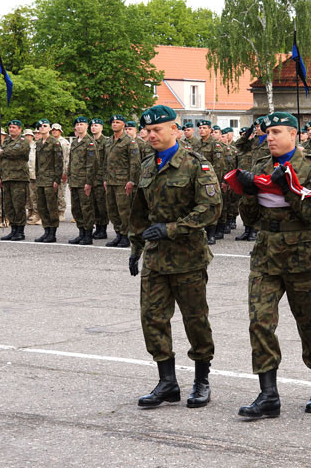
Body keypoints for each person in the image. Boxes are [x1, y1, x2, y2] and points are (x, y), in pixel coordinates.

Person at [237, 112, 311, 419]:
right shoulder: (262, 164)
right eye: (268, 132)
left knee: (310, 323)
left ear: (295, 134)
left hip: (302, 256)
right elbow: (251, 219)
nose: (270, 137)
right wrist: (248, 193)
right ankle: (268, 394)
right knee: (260, 321)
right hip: (266, 255)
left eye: (277, 132)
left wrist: (291, 189)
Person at [129, 105, 222, 408]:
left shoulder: (196, 164)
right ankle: (167, 382)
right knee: (153, 319)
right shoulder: (146, 166)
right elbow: (139, 213)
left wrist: (170, 229)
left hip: (188, 257)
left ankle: (201, 379)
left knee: (195, 320)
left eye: (157, 129)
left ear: (175, 129)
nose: (151, 134)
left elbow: (210, 208)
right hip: (155, 258)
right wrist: (135, 248)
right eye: (147, 130)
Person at [103, 115, 141, 248]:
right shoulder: (109, 141)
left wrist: (131, 181)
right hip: (111, 181)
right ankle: (118, 234)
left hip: (123, 181)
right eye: (113, 122)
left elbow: (135, 163)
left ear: (123, 125)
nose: (114, 124)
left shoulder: (129, 142)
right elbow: (105, 162)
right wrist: (105, 179)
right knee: (112, 210)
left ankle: (126, 236)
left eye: (117, 122)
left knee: (124, 210)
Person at [0, 120, 30, 241]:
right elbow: (1, 161)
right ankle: (13, 229)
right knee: (9, 205)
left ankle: (20, 231)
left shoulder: (23, 141)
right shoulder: (6, 141)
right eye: (10, 127)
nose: (11, 129)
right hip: (6, 177)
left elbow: (17, 152)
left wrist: (3, 152)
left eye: (14, 127)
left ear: (19, 129)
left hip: (19, 177)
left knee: (18, 205)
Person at [67, 117, 97, 245]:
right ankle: (81, 232)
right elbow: (71, 162)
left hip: (84, 181)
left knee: (86, 208)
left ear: (87, 126)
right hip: (74, 180)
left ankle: (88, 234)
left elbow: (92, 164)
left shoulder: (89, 142)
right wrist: (69, 178)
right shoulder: (74, 142)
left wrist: (89, 182)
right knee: (76, 208)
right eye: (77, 124)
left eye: (82, 124)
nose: (79, 127)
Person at [33, 119, 63, 243]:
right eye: (40, 126)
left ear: (50, 128)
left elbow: (58, 163)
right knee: (42, 206)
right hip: (40, 179)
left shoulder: (54, 143)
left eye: (45, 126)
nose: (42, 128)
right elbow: (37, 163)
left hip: (50, 179)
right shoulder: (39, 143)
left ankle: (52, 232)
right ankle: (46, 230)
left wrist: (57, 179)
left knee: (51, 206)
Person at [90, 118, 109, 239]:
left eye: (96, 125)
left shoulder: (106, 142)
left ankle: (103, 229)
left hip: (101, 177)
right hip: (91, 177)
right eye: (92, 125)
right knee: (93, 204)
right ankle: (97, 227)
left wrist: (105, 178)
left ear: (101, 127)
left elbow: (107, 161)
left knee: (102, 205)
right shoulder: (89, 141)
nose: (93, 127)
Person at [51, 123, 70, 222]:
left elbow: (66, 158)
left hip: (61, 170)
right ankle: (54, 212)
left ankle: (61, 212)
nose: (54, 131)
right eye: (53, 130)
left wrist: (65, 172)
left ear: (60, 131)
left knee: (61, 193)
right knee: (52, 193)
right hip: (51, 171)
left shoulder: (64, 142)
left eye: (56, 130)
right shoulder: (50, 141)